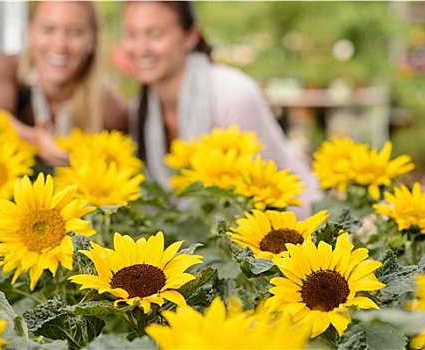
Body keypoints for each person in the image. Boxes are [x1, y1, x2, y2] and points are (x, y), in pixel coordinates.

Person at [119, 1, 321, 218]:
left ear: (191, 36)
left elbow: (261, 187)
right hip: (210, 237)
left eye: (155, 34)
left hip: (293, 227)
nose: (140, 48)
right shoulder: (141, 107)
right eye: (131, 34)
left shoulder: (233, 93)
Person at [0, 1, 128, 167]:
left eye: (74, 32)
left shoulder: (110, 108)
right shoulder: (7, 68)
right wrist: (34, 141)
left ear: (92, 38)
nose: (59, 46)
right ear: (30, 31)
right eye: (48, 29)